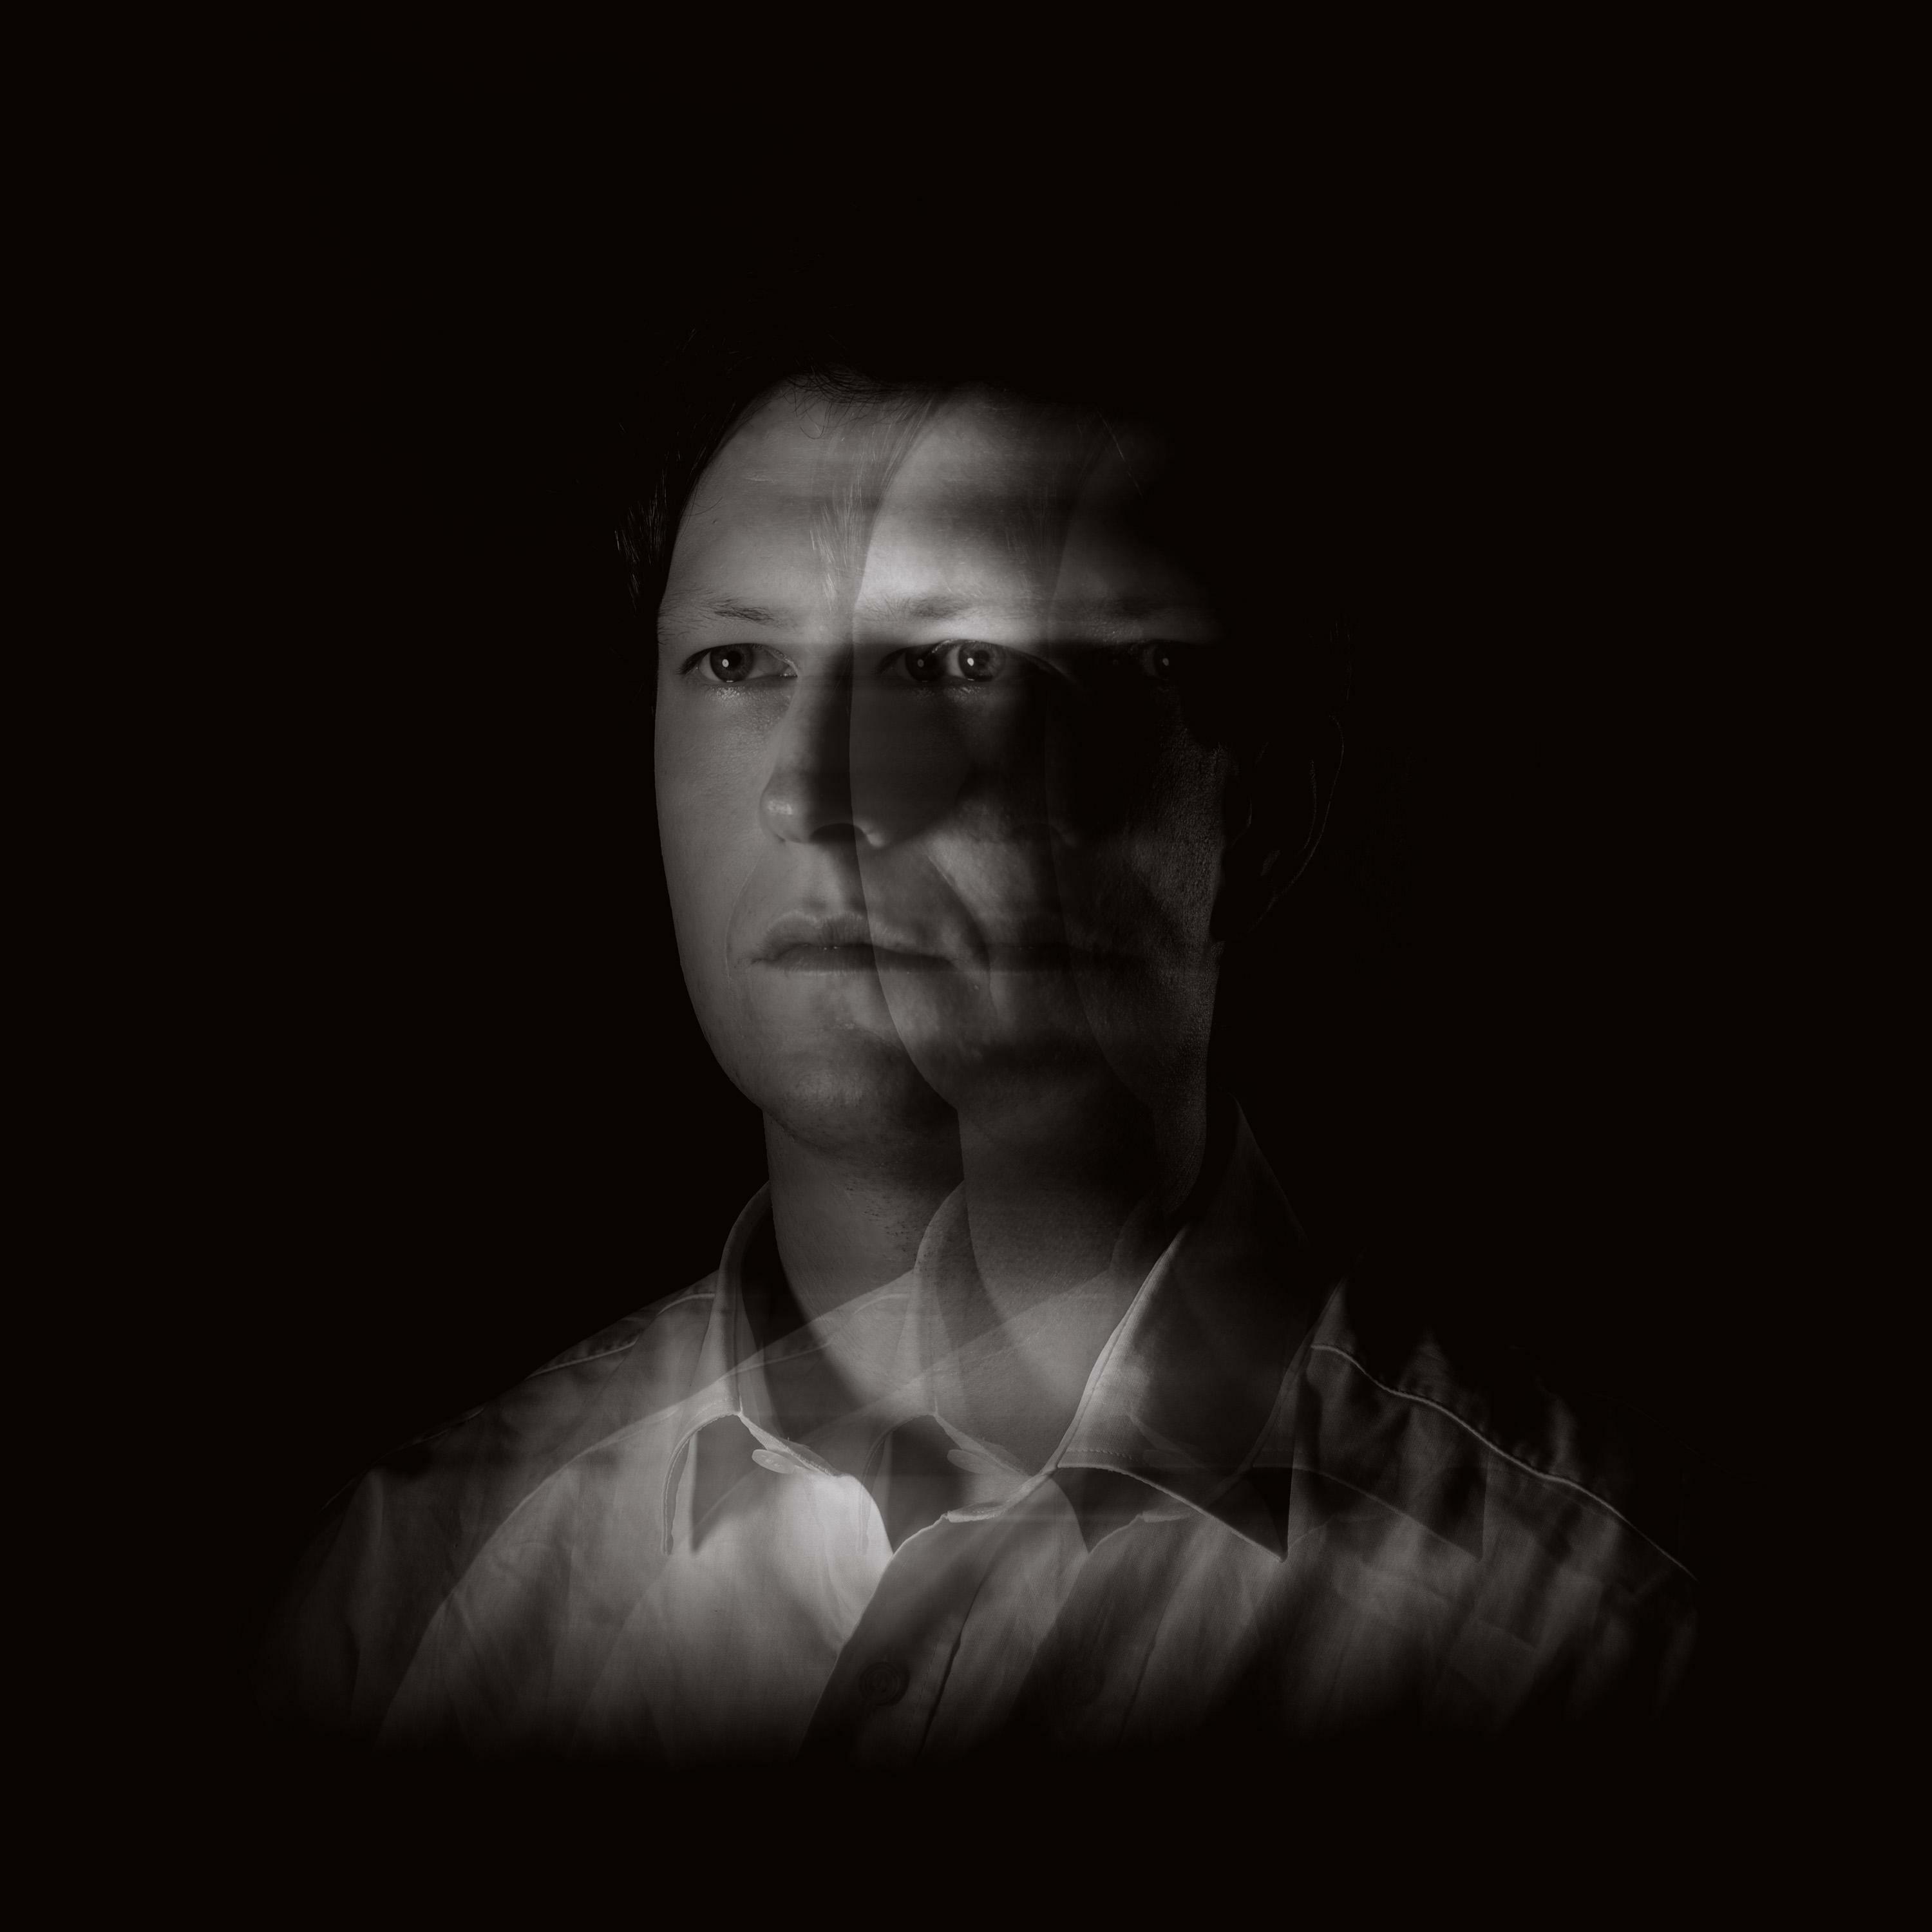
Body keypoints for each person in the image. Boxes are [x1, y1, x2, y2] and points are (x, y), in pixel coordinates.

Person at [258, 317, 1694, 1766]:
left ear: (1257, 805)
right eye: (738, 661)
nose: (814, 793)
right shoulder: (403, 1593)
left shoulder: (1595, 1652)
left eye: (957, 660)